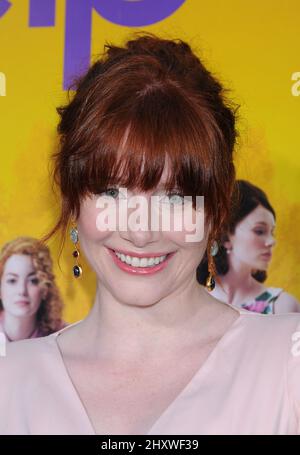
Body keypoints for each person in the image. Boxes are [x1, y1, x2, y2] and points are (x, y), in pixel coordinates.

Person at [0, 33, 300, 435]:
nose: (141, 232)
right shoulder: (11, 384)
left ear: (215, 211)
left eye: (174, 198)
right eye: (111, 192)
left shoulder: (286, 364)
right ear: (73, 200)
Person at [197, 180, 300, 314]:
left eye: (272, 232)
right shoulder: (191, 301)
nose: (271, 241)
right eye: (260, 231)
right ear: (225, 236)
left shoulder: (282, 306)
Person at [0, 237, 67, 341]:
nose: (22, 291)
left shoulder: (62, 336)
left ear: (44, 289)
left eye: (33, 281)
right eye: (12, 280)